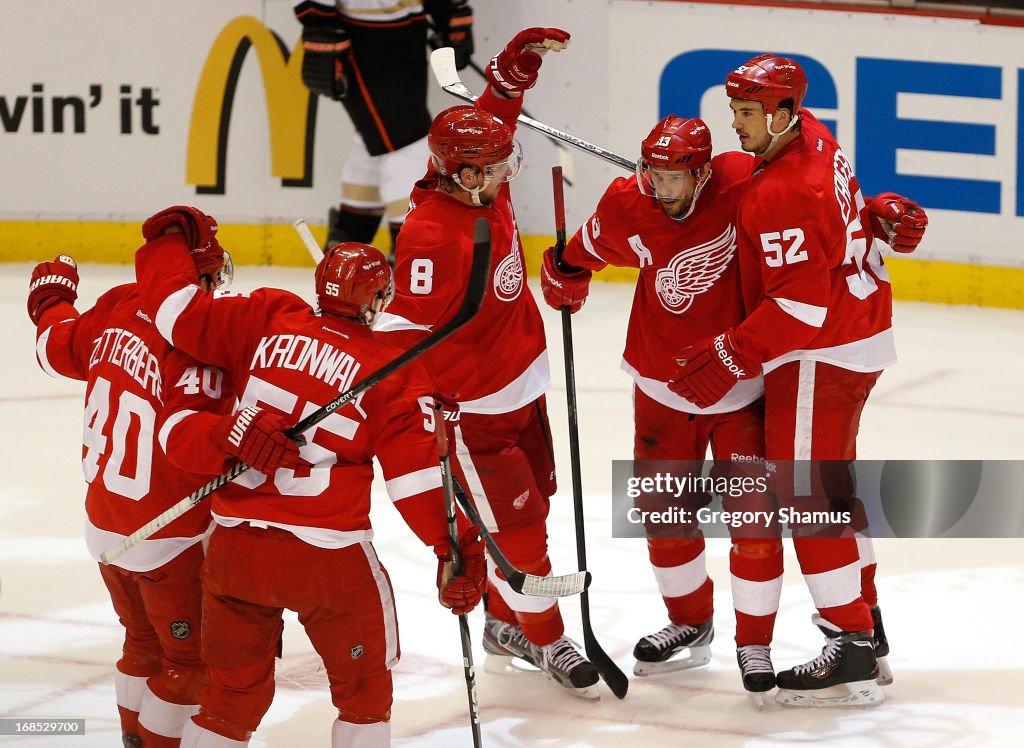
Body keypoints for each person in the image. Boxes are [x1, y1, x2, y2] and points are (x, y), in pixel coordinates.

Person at [133, 206, 486, 747]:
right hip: (329, 560)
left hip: (235, 551)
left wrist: (165, 243)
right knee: (364, 696)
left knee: (228, 698)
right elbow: (415, 483)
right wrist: (456, 551)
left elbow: (177, 314)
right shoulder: (393, 371)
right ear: (376, 301)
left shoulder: (269, 315)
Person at [670, 53, 928, 707]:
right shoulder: (816, 136)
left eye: (748, 113)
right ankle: (867, 628)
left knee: (808, 500)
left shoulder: (786, 188)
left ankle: (852, 646)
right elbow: (835, 222)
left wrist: (731, 355)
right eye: (734, 110)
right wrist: (875, 213)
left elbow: (797, 308)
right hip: (857, 333)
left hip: (823, 349)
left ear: (782, 111)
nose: (737, 124)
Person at [376, 28, 602, 699]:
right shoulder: (430, 236)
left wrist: (510, 75)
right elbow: (397, 336)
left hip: (521, 387)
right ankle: (544, 637)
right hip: (476, 415)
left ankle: (508, 622)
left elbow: (494, 124)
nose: (511, 174)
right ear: (469, 174)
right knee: (523, 537)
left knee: (537, 507)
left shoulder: (476, 184)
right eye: (500, 167)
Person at [540, 116, 783, 701]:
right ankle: (690, 621)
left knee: (753, 519)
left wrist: (872, 208)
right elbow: (581, 256)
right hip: (658, 382)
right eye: (653, 173)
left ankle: (755, 642)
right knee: (663, 512)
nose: (660, 187)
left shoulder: (745, 179)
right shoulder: (630, 200)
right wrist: (562, 274)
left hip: (739, 384)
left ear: (701, 172)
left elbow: (817, 189)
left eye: (674, 177)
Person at [28, 239, 234, 746]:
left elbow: (53, 350)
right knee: (189, 663)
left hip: (103, 527)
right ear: (198, 281)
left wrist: (52, 300)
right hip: (169, 537)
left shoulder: (118, 306)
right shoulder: (198, 340)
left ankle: (133, 737)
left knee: (142, 642)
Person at [293, 0, 474, 255]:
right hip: (360, 38)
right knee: (408, 143)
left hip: (409, 28)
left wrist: (448, 12)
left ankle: (348, 246)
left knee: (378, 141)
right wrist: (318, 22)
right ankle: (413, 252)